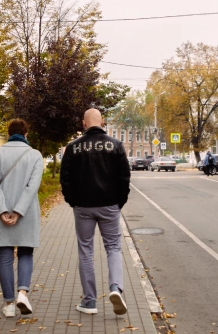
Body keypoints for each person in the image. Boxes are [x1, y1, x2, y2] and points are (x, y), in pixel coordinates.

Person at [60, 108, 131, 316]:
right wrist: (119, 202)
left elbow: (65, 179)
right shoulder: (116, 145)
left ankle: (89, 301)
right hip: (109, 205)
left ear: (84, 123)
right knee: (113, 247)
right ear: (102, 122)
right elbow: (124, 178)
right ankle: (116, 288)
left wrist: (73, 201)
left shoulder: (73, 147)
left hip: (83, 206)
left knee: (86, 251)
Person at [0, 119, 44, 318]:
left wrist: (2, 210)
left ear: (8, 134)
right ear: (26, 134)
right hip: (26, 214)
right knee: (26, 253)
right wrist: (18, 211)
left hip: (0, 215)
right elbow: (32, 187)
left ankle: (9, 304)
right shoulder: (35, 155)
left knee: (5, 257)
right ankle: (22, 294)